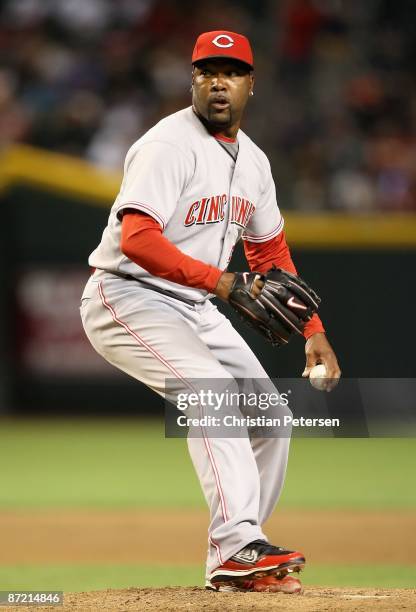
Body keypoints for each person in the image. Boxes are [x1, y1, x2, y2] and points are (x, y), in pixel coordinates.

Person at [80, 30, 340, 594]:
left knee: (271, 419)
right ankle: (236, 545)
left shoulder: (255, 163)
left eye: (232, 71)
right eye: (207, 71)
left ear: (252, 84)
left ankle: (238, 560)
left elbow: (270, 251)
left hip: (195, 304)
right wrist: (223, 282)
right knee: (213, 397)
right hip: (127, 295)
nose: (219, 81)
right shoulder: (167, 145)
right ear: (192, 80)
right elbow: (138, 241)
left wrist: (313, 331)